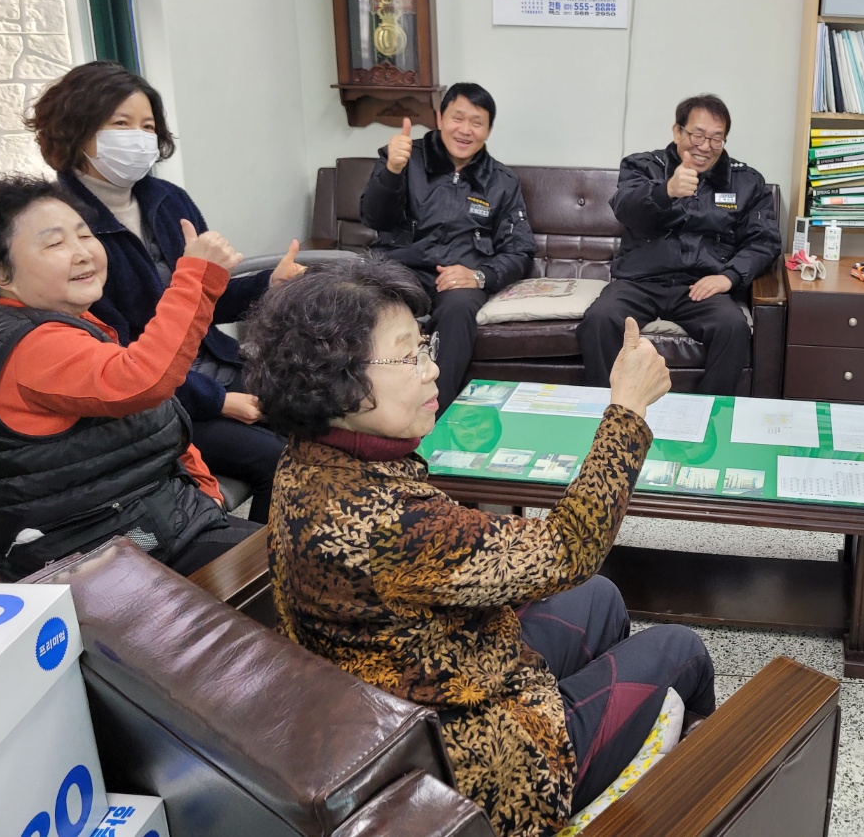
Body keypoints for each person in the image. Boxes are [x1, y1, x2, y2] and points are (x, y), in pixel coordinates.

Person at [243, 257, 715, 837]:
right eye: (408, 356)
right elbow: (569, 546)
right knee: (682, 650)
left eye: (424, 347)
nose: (432, 369)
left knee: (601, 597)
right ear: (336, 381)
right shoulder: (394, 524)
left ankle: (612, 750)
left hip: (409, 693)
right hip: (480, 763)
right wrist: (628, 408)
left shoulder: (304, 459)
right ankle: (664, 797)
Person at [28, 60, 303, 524]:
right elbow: (117, 353)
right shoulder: (67, 226)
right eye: (121, 124)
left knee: (321, 412)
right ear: (77, 128)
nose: (139, 138)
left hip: (216, 368)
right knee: (277, 461)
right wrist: (218, 401)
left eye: (147, 126)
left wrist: (269, 284)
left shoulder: (167, 199)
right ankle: (256, 563)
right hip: (158, 402)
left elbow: (206, 301)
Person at [0, 176, 260, 581]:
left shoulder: (68, 324)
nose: (83, 253)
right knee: (303, 574)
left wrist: (206, 492)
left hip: (146, 520)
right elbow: (144, 380)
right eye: (55, 243)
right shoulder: (32, 345)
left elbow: (158, 425)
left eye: (85, 235)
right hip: (94, 552)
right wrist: (197, 278)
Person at [577, 94, 780, 395]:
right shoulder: (643, 166)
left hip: (701, 286)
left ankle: (708, 412)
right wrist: (666, 191)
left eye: (716, 138)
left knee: (733, 327)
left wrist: (729, 277)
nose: (705, 146)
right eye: (698, 135)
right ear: (677, 131)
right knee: (600, 320)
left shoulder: (746, 182)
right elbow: (625, 208)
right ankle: (611, 410)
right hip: (641, 281)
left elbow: (764, 239)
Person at [360, 83, 534, 410]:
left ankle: (433, 416)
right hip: (399, 270)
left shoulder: (502, 182)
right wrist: (392, 171)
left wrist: (480, 276)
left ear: (488, 130)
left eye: (477, 122)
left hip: (457, 282)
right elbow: (374, 217)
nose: (465, 130)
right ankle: (371, 412)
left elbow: (519, 251)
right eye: (458, 118)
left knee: (459, 309)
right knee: (370, 302)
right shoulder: (404, 158)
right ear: (440, 118)